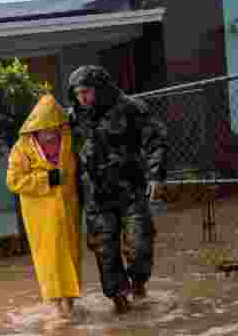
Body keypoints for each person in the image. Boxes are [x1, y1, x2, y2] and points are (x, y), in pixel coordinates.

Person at [66, 65, 167, 315]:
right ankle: (120, 301)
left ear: (100, 89)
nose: (83, 98)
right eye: (78, 93)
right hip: (96, 196)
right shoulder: (72, 118)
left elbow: (156, 139)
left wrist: (156, 175)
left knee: (139, 244)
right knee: (105, 251)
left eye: (87, 92)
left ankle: (139, 285)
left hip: (130, 189)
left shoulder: (131, 108)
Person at [6, 94, 83, 324]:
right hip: (41, 215)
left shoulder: (69, 141)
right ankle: (56, 308)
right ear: (35, 127)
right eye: (45, 128)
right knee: (48, 258)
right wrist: (46, 179)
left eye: (54, 128)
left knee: (71, 254)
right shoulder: (21, 149)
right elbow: (14, 181)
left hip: (68, 210)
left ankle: (69, 306)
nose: (50, 134)